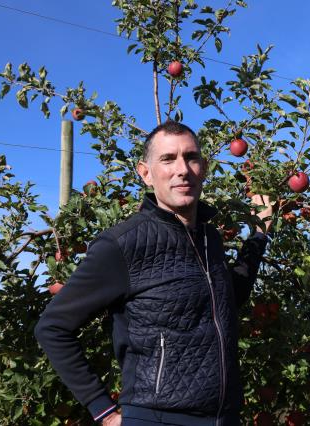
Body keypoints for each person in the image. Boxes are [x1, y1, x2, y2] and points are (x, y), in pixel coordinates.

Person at [35, 121, 273, 426]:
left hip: (224, 418)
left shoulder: (209, 238)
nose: (182, 169)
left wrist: (258, 236)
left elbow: (226, 300)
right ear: (145, 173)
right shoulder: (122, 245)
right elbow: (52, 328)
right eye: (167, 159)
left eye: (191, 157)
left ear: (204, 168)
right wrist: (104, 412)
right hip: (158, 418)